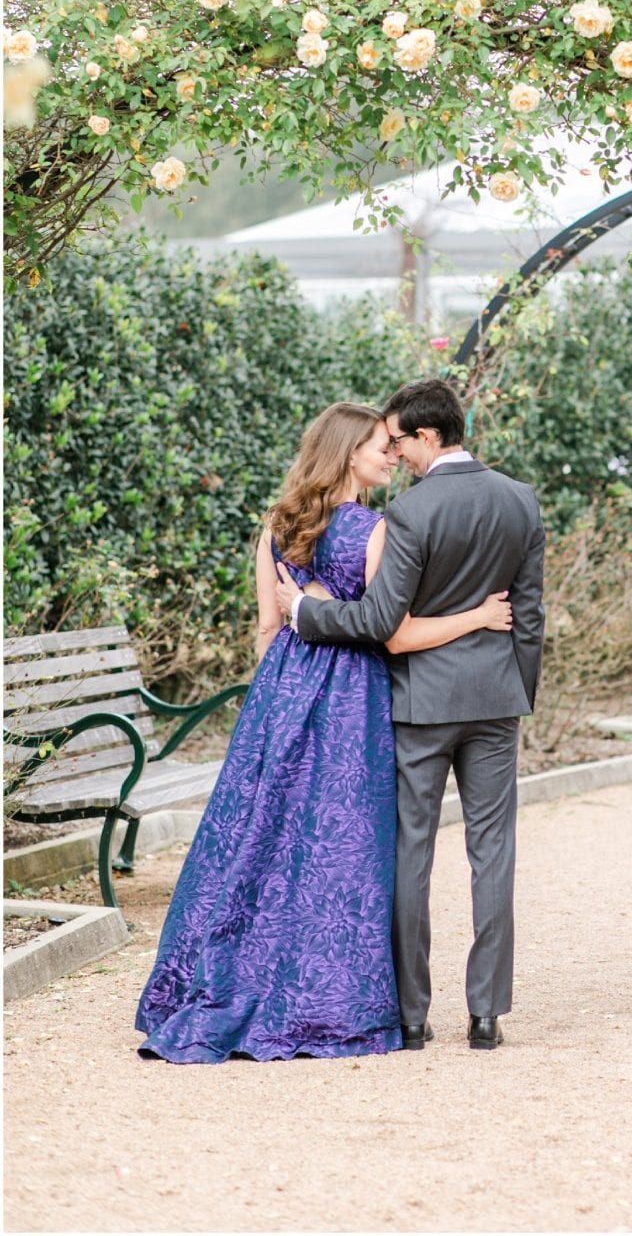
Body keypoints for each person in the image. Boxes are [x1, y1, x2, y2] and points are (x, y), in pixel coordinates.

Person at [136, 401, 513, 1064]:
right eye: (377, 446)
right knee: (338, 857)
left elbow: (266, 630)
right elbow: (390, 634)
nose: (390, 455)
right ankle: (325, 1002)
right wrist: (478, 616)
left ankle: (226, 980)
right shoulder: (372, 530)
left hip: (279, 698)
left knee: (262, 846)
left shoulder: (278, 525)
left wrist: (272, 707)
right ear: (345, 453)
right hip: (349, 705)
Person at [276, 377, 545, 1053]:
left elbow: (377, 620)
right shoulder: (521, 500)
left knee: (411, 855)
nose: (395, 454)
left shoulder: (413, 514)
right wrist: (518, 693)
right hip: (495, 701)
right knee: (494, 852)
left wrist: (305, 613)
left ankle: (413, 1015)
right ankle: (486, 1014)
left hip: (419, 702)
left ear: (429, 436)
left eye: (399, 440)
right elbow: (531, 618)